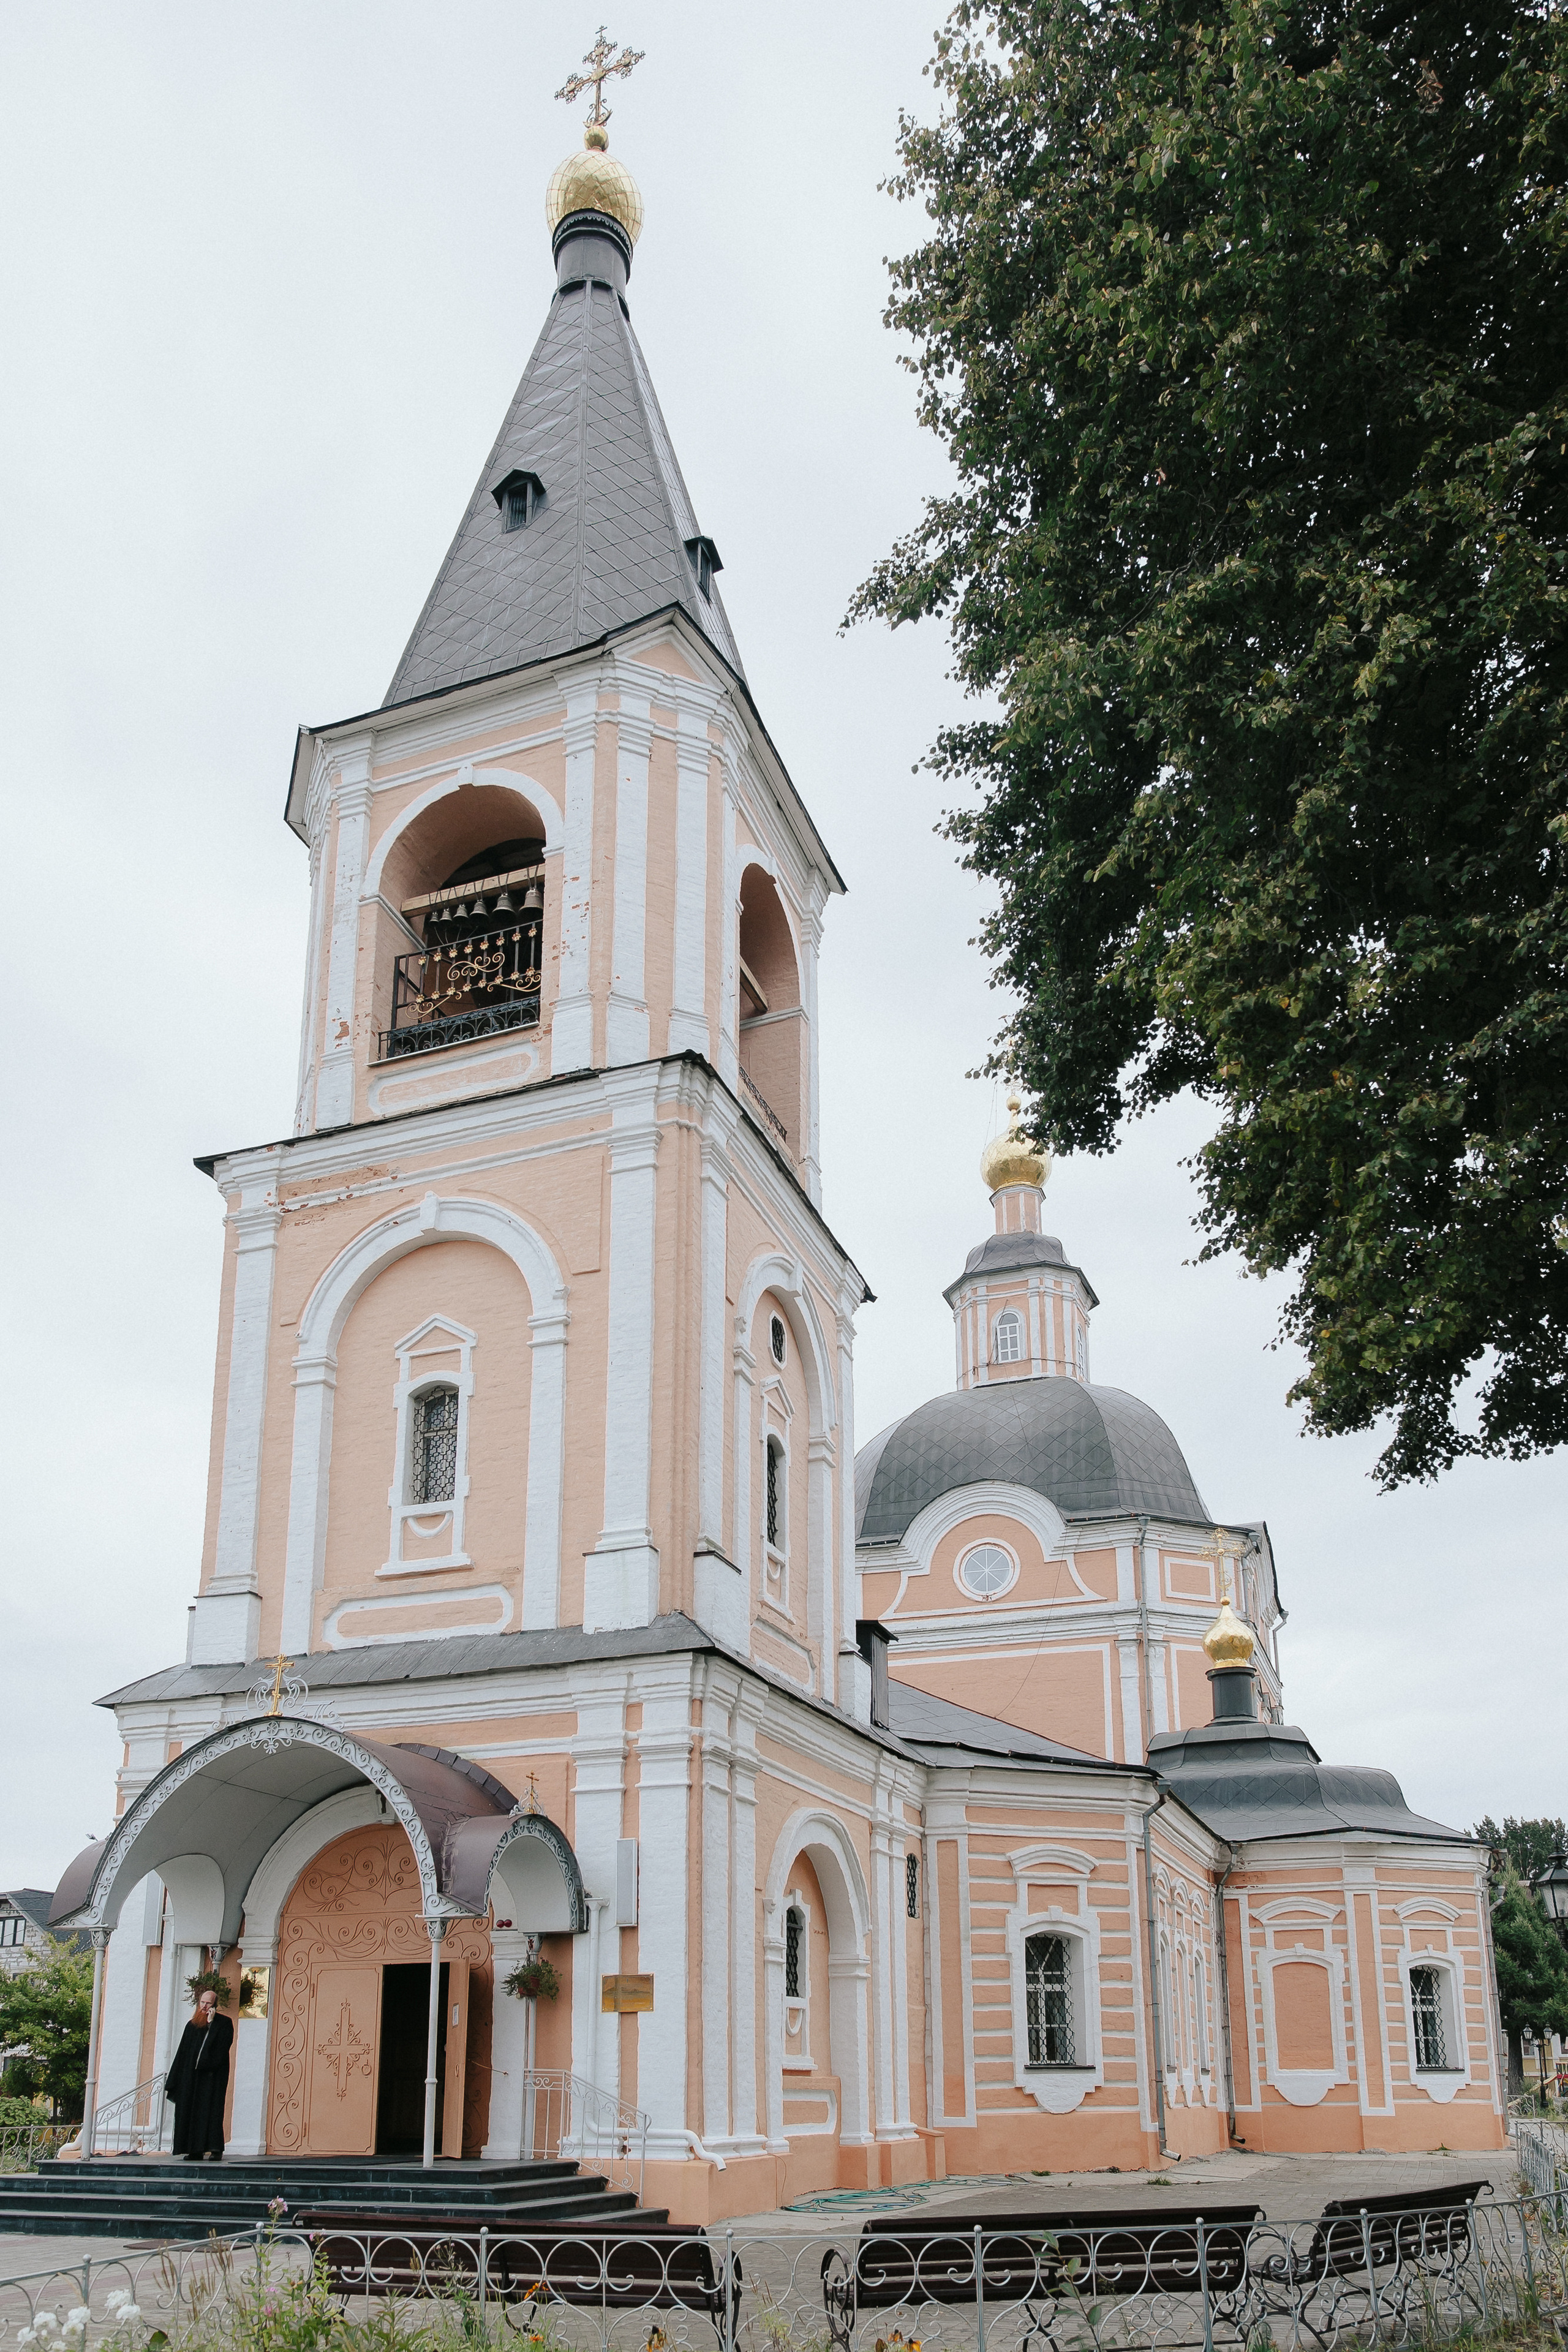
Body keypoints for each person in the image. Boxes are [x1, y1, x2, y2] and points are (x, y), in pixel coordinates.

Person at [164, 1984, 233, 2161]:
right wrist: (176, 2079)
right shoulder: (192, 2025)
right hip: (191, 2079)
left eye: (208, 2004)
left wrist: (211, 2026)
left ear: (215, 2005)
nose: (204, 2007)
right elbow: (182, 2053)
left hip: (212, 2079)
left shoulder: (224, 2024)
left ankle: (215, 2149)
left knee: (211, 2112)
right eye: (202, 2002)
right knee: (191, 2112)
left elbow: (221, 2049)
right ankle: (194, 2150)